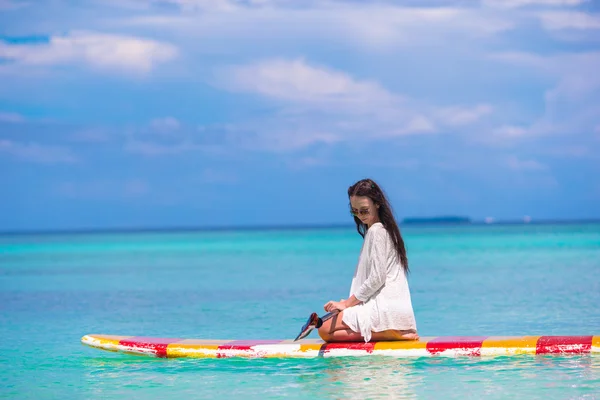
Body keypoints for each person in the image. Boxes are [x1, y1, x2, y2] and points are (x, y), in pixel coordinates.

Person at [318, 178, 419, 343]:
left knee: (323, 328)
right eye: (355, 211)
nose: (360, 216)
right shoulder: (385, 231)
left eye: (364, 210)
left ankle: (389, 333)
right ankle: (392, 330)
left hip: (385, 310)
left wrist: (347, 304)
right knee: (326, 325)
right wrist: (350, 303)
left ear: (377, 204)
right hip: (396, 310)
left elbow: (377, 278)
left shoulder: (377, 232)